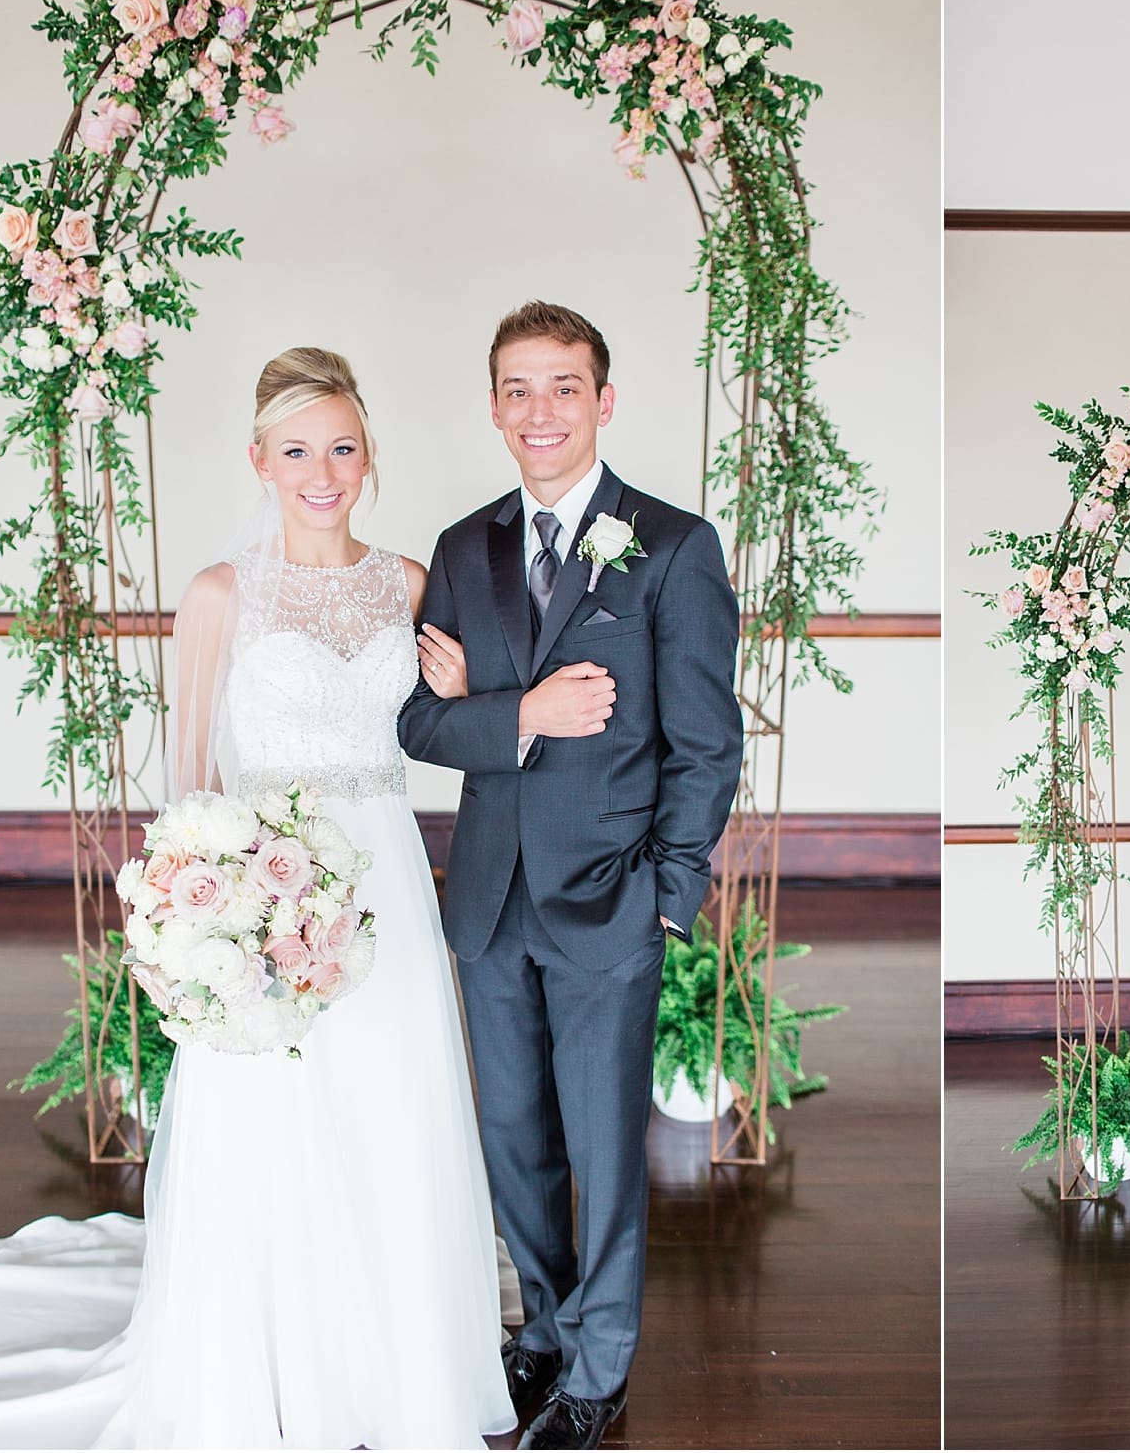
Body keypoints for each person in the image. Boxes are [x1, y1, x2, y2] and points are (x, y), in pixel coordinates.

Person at [0, 348, 516, 1448]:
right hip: (261, 883)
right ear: (258, 460)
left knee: (391, 1107)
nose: (325, 471)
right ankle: (271, 1365)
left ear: (370, 457)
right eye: (300, 449)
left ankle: (399, 1368)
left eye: (344, 447)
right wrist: (198, 918)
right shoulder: (220, 593)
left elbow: (447, 723)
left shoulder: (409, 582)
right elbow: (191, 779)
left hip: (386, 881)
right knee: (274, 1120)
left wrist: (466, 688)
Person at [397, 300, 742, 1450]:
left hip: (612, 900)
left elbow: (706, 741)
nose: (538, 411)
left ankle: (600, 1368)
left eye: (562, 386)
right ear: (493, 404)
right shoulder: (463, 547)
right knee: (516, 1140)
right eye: (516, 388)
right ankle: (542, 1330)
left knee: (602, 1145)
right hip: (489, 898)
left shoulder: (673, 546)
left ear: (603, 399)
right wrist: (521, 714)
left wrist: (668, 889)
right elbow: (419, 726)